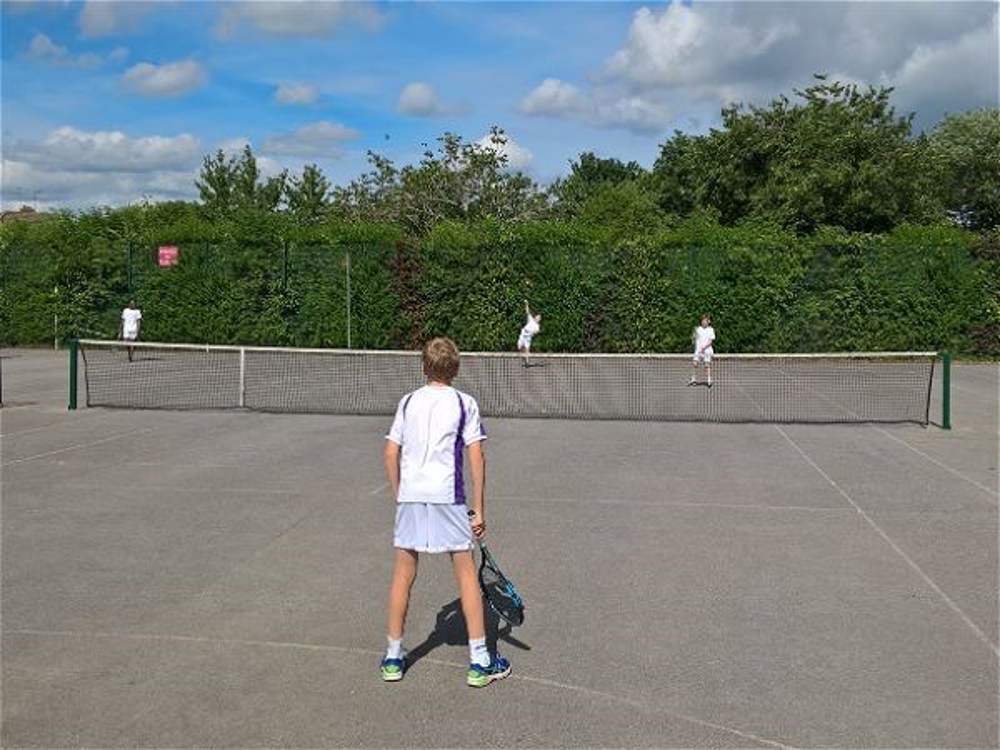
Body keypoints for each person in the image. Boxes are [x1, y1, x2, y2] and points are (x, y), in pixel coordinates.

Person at [381, 337, 511, 688]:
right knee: (466, 575)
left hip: (411, 498)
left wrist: (400, 495)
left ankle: (393, 657)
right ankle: (480, 662)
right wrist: (479, 510)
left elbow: (391, 453)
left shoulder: (407, 402)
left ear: (424, 366)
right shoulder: (463, 402)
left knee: (403, 575)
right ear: (456, 369)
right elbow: (476, 457)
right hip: (447, 497)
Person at [689, 313, 715, 387]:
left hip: (707, 350)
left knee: (707, 365)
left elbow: (710, 341)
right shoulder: (698, 329)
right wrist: (693, 338)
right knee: (695, 364)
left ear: (708, 321)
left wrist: (704, 347)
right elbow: (694, 338)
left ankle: (709, 380)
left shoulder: (711, 330)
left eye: (705, 321)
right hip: (698, 350)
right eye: (702, 321)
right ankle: (693, 379)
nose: (703, 322)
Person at [517, 300, 542, 366]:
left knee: (527, 349)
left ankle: (527, 362)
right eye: (537, 317)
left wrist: (530, 332)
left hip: (528, 337)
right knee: (519, 347)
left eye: (539, 318)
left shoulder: (537, 327)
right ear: (535, 317)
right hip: (523, 334)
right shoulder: (530, 319)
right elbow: (527, 311)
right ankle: (524, 357)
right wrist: (526, 303)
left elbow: (535, 332)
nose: (538, 318)